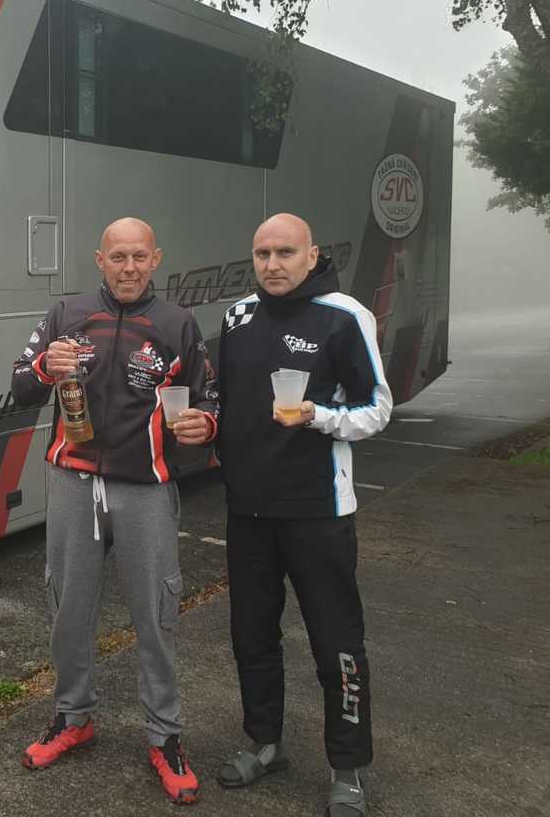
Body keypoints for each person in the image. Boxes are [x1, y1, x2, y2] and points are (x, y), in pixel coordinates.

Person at [10, 217, 218, 805]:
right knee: (69, 606)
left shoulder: (177, 324)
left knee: (156, 613)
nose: (129, 267)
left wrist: (206, 425)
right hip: (72, 481)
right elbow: (20, 385)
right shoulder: (66, 315)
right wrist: (44, 368)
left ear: (156, 259)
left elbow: (208, 397)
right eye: (118, 257)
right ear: (100, 260)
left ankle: (166, 736)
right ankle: (73, 716)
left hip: (144, 486)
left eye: (139, 257)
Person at [213, 213, 392, 817]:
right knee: (252, 635)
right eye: (262, 253)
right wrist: (205, 427)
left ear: (312, 255)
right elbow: (227, 402)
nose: (272, 264)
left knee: (336, 642)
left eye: (285, 252)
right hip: (248, 510)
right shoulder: (237, 316)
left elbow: (376, 409)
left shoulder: (343, 315)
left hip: (318, 511)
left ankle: (348, 769)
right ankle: (265, 744)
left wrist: (318, 415)